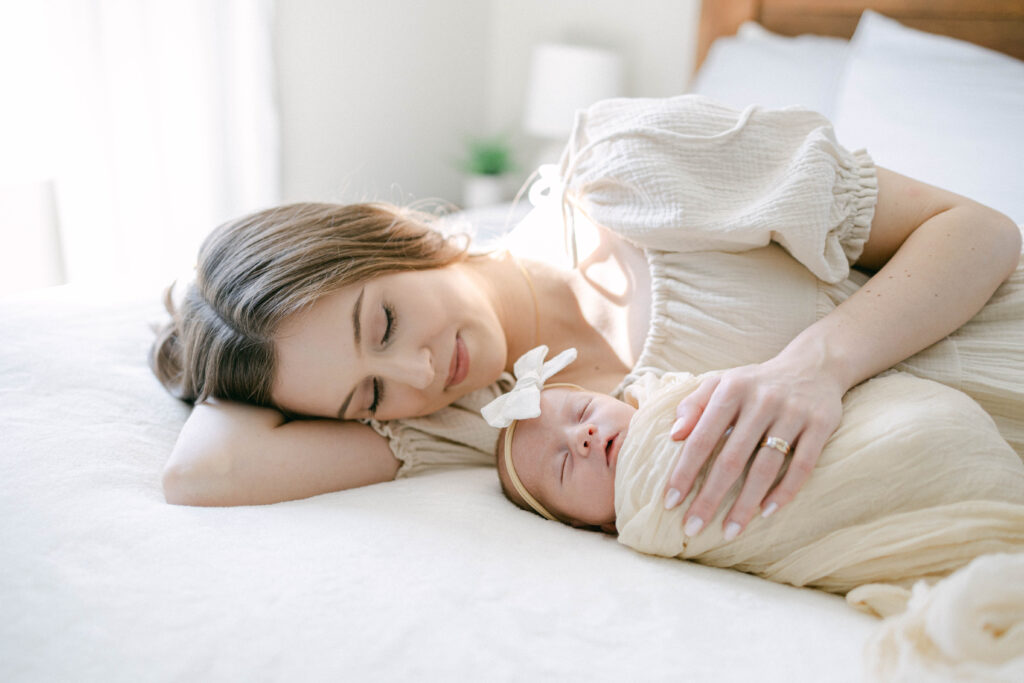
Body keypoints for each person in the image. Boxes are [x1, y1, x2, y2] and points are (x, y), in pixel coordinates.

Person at [152, 96, 1023, 544]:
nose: (416, 375)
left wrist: (819, 365)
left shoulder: (630, 169)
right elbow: (204, 474)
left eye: (380, 324)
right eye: (367, 394)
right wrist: (216, 327)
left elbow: (979, 230)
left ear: (395, 232)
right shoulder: (488, 423)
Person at [484, 345, 1024, 616]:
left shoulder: (665, 396)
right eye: (562, 465)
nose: (583, 437)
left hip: (903, 419)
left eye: (582, 410)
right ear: (584, 526)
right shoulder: (646, 519)